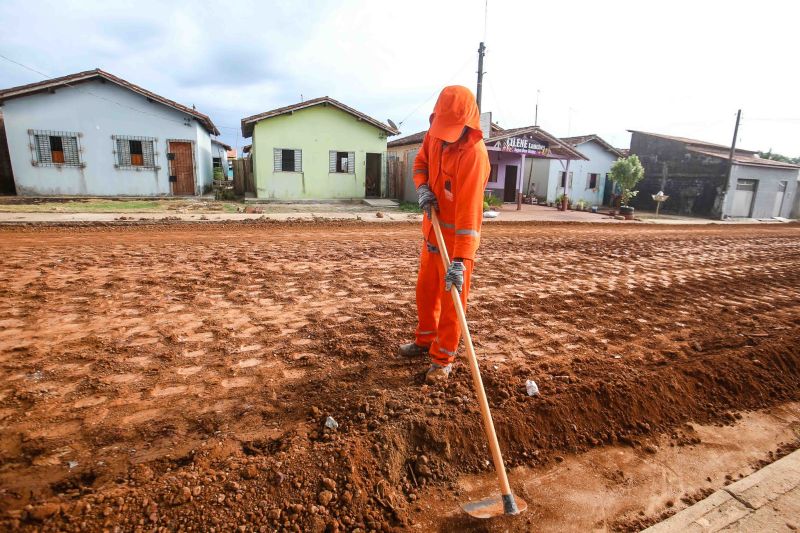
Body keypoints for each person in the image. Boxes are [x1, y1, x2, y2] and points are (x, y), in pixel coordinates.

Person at [398, 85, 490, 383]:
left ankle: (443, 359)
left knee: (452, 304)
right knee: (426, 291)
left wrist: (461, 261)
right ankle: (425, 340)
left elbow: (469, 215)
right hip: (432, 235)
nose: (446, 136)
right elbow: (420, 163)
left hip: (457, 246)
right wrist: (422, 187)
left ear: (467, 125)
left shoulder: (474, 157)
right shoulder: (434, 137)